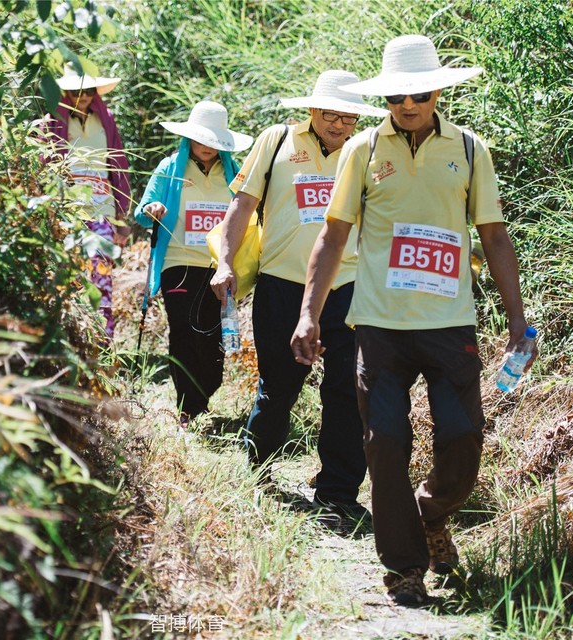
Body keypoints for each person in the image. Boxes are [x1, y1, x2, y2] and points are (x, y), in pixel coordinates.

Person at [290, 35, 537, 606]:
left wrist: (517, 321)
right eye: (396, 96)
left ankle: (429, 513)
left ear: (437, 93)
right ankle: (403, 567)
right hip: (378, 326)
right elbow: (332, 235)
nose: (407, 104)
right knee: (386, 442)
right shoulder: (362, 151)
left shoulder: (471, 150)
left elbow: (494, 236)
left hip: (451, 324)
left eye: (418, 94)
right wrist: (308, 314)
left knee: (463, 436)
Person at [209, 71, 388, 524]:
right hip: (281, 285)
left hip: (347, 286)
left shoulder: (365, 153)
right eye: (331, 112)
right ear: (312, 109)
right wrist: (225, 262)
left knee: (348, 389)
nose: (339, 123)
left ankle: (338, 493)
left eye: (348, 116)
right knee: (279, 385)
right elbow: (242, 206)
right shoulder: (277, 141)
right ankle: (256, 470)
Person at [133, 101, 253, 428]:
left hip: (220, 266)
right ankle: (188, 407)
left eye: (213, 141)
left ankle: (204, 393)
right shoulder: (170, 168)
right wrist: (153, 208)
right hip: (178, 262)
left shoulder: (235, 173)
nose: (206, 147)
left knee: (212, 335)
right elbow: (142, 207)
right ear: (189, 138)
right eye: (201, 139)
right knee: (184, 331)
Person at [44, 63, 132, 340]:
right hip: (68, 211)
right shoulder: (54, 120)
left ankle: (102, 341)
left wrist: (121, 217)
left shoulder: (105, 118)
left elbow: (117, 163)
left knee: (102, 275)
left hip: (102, 207)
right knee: (71, 275)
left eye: (89, 90)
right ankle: (71, 340)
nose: (83, 96)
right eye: (77, 90)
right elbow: (46, 162)